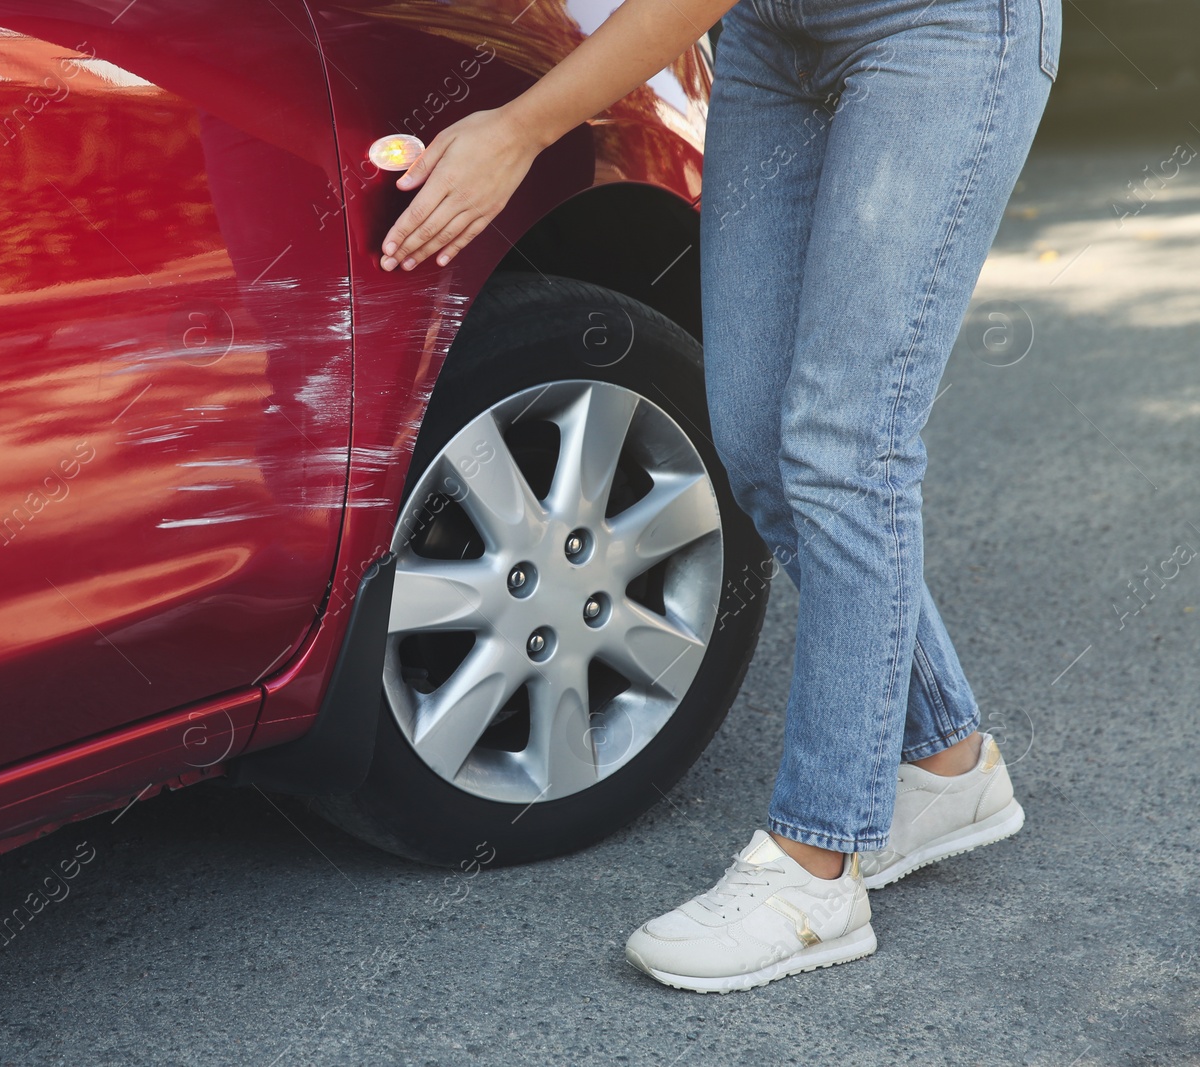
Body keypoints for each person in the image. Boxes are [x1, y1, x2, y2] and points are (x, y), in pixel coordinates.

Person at [379, 0, 1056, 992]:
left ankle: (815, 867)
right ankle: (944, 764)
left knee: (843, 446)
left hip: (934, 30)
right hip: (769, 39)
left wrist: (519, 127)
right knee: (757, 444)